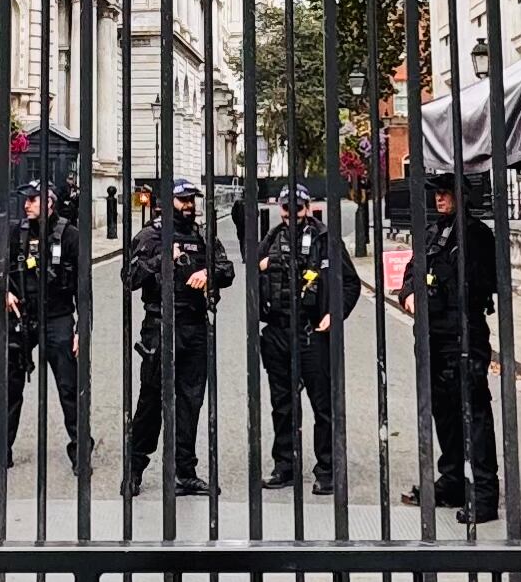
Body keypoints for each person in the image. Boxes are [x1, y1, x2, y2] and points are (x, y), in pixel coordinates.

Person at [120, 178, 229, 498]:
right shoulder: (149, 236)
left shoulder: (201, 235)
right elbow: (130, 278)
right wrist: (162, 258)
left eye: (192, 199)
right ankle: (134, 469)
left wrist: (209, 273)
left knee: (190, 402)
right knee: (151, 402)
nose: (189, 205)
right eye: (183, 200)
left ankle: (185, 472)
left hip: (195, 327)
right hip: (160, 327)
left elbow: (227, 269)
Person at [405, 171, 504, 523]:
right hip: (432, 335)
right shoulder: (433, 233)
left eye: (445, 193)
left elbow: (482, 283)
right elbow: (411, 270)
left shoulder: (476, 235)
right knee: (443, 412)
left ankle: (484, 494)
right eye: (437, 194)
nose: (439, 199)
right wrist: (409, 293)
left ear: (463, 196)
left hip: (464, 335)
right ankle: (452, 481)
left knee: (473, 413)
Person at [251, 182, 355, 493]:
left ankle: (327, 469)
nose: (291, 213)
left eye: (297, 207)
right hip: (278, 333)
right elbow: (251, 282)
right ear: (279, 208)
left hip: (313, 334)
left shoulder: (325, 240)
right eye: (286, 207)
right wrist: (261, 268)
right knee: (282, 405)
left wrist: (334, 313)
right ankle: (285, 466)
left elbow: (348, 283)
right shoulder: (270, 240)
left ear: (307, 207)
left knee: (322, 405)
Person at [0, 173, 91, 475]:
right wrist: (3, 290)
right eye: (26, 200)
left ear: (49, 203)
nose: (27, 205)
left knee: (69, 388)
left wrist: (82, 329)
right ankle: (0, 449)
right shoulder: (15, 232)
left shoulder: (70, 235)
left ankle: (80, 450)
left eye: (32, 200)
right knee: (9, 387)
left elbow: (83, 289)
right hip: (22, 316)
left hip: (58, 318)